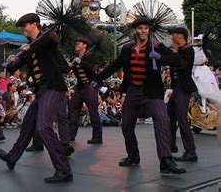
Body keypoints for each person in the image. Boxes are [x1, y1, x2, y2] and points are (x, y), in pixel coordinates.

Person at [93, 16, 186, 174]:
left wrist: (160, 57)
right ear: (135, 30)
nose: (143, 31)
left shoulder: (156, 46)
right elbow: (115, 65)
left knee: (162, 122)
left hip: (151, 91)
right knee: (127, 124)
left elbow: (177, 60)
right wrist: (97, 79)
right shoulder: (127, 49)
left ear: (149, 30)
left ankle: (166, 160)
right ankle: (133, 156)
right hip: (133, 90)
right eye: (140, 28)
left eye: (146, 28)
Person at [0, 13, 73, 184]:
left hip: (53, 87)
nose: (24, 29)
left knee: (44, 127)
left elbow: (46, 43)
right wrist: (11, 62)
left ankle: (64, 169)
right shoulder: (30, 46)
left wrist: (28, 48)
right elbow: (17, 63)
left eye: (25, 26)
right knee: (28, 124)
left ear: (35, 25)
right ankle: (12, 157)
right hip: (41, 90)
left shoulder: (47, 39)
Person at [167, 28, 198, 162]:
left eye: (174, 35)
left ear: (180, 37)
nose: (172, 38)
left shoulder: (188, 50)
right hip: (176, 88)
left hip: (184, 87)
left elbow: (182, 65)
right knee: (170, 114)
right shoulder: (178, 51)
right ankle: (171, 144)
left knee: (181, 116)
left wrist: (175, 53)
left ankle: (191, 150)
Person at [68, 38, 102, 144]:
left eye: (79, 43)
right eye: (76, 43)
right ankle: (70, 135)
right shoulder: (74, 57)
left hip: (90, 86)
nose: (76, 44)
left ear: (85, 45)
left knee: (93, 111)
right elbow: (68, 69)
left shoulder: (91, 56)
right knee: (72, 109)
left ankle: (97, 137)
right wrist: (70, 65)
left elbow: (94, 68)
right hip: (79, 87)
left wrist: (81, 62)